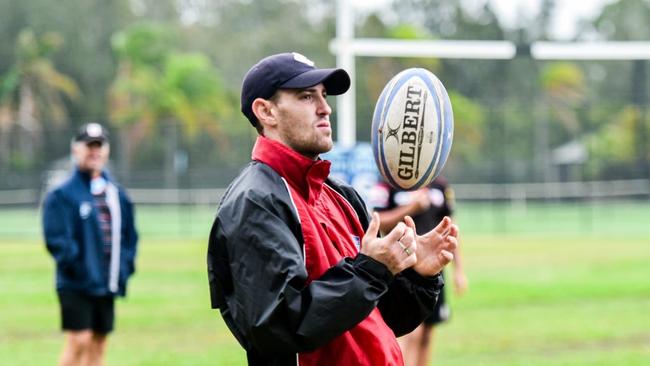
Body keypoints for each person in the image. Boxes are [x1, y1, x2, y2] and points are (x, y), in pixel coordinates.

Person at [207, 52, 459, 366]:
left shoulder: (341, 196)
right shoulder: (256, 202)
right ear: (266, 111)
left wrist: (418, 276)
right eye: (305, 96)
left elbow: (383, 318)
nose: (325, 108)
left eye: (324, 96)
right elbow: (278, 327)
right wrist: (371, 270)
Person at [42, 123, 138, 366]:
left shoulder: (116, 194)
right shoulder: (62, 194)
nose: (94, 151)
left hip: (107, 283)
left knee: (99, 342)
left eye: (99, 146)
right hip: (77, 283)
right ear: (76, 150)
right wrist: (80, 267)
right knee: (79, 341)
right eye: (89, 146)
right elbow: (57, 240)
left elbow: (129, 236)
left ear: (106, 151)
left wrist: (124, 268)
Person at [370, 177, 468, 366]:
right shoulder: (388, 182)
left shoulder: (440, 185)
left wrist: (459, 271)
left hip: (433, 271)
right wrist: (411, 208)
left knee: (428, 334)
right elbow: (378, 221)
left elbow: (451, 228)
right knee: (410, 333)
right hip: (401, 268)